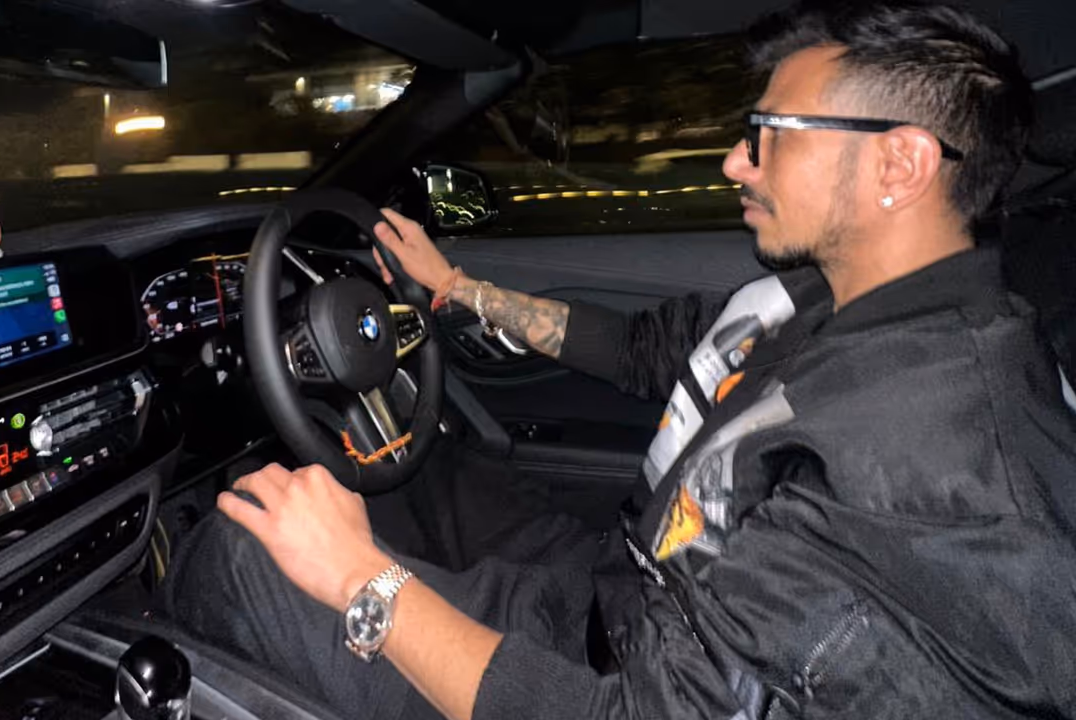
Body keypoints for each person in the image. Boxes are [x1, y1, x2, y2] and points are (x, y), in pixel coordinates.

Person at [161, 2, 1076, 718]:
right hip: (621, 589)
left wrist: (364, 581)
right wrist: (457, 288)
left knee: (242, 552)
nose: (736, 162)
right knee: (400, 463)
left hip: (608, 675)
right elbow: (642, 348)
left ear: (900, 167)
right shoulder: (815, 298)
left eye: (769, 134)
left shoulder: (946, 479)